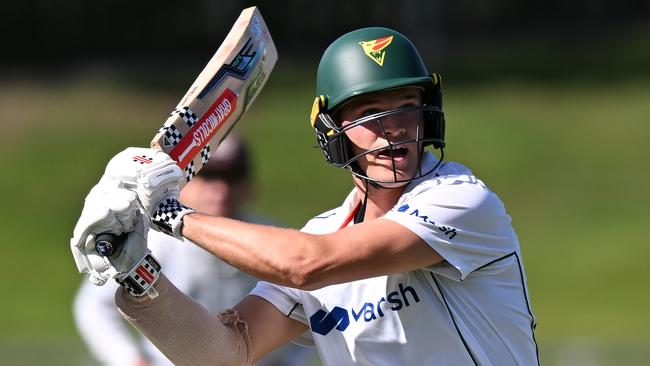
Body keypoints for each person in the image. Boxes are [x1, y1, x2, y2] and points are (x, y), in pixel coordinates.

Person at [71, 27, 539, 365]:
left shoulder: (460, 201)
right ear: (333, 132)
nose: (393, 129)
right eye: (370, 113)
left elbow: (307, 265)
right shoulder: (321, 232)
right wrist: (137, 273)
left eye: (406, 108)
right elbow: (222, 354)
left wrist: (169, 212)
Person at [73, 135, 315, 366]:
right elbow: (93, 307)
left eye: (231, 176)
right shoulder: (152, 241)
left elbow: (311, 304)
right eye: (208, 176)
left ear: (248, 185)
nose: (220, 190)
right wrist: (132, 361)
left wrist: (289, 362)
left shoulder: (272, 239)